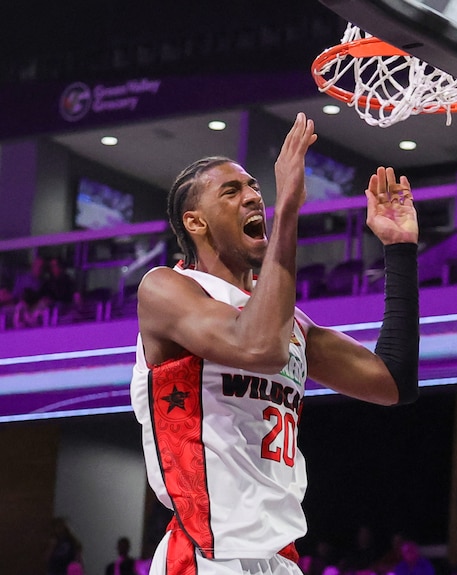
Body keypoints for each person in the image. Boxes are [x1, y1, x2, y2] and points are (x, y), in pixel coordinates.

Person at [130, 112, 420, 575]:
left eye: (255, 189)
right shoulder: (166, 289)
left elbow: (394, 383)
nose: (252, 196)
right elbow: (260, 349)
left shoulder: (291, 322)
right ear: (196, 222)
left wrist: (400, 248)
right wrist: (288, 209)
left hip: (279, 558)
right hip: (207, 552)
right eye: (232, 191)